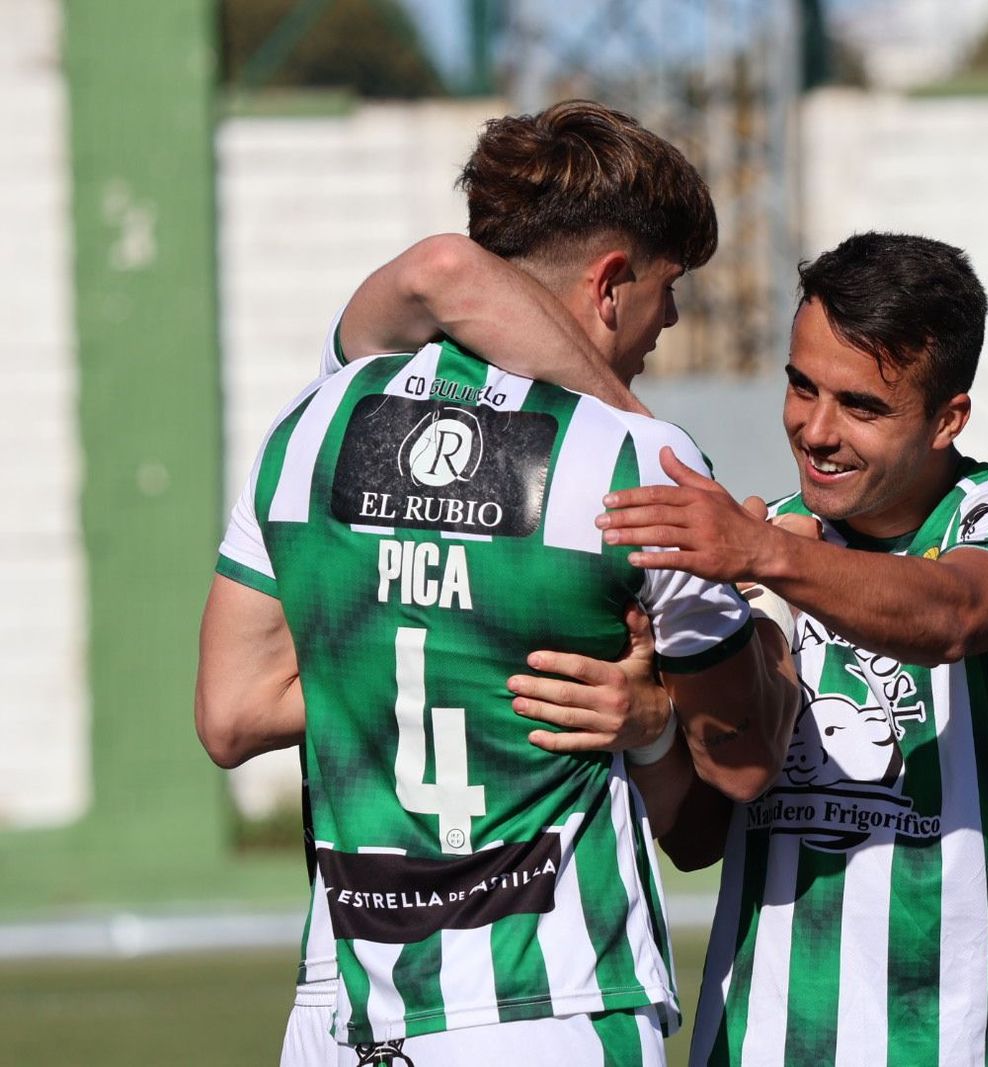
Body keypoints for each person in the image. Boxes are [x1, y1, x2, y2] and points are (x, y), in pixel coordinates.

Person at [195, 101, 801, 1065]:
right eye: (669, 286)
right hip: (548, 998)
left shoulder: (307, 424)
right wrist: (760, 623)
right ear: (610, 283)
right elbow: (736, 771)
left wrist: (442, 648)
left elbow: (230, 714)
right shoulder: (641, 471)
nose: (673, 318)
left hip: (344, 1005)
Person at [421, 230, 988, 1064]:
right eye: (801, 386)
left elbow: (953, 614)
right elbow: (703, 832)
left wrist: (763, 555)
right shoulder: (758, 544)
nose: (816, 430)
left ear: (947, 418)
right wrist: (656, 726)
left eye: (862, 406)